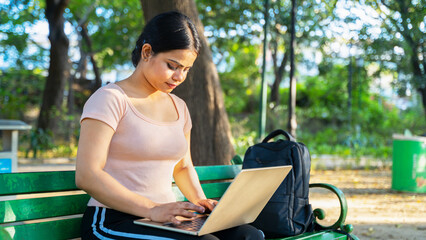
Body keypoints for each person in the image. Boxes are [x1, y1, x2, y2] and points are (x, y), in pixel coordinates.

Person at [76, 11, 264, 240]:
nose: (179, 76)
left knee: (248, 235)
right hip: (112, 220)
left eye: (186, 69)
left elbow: (183, 167)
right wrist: (152, 209)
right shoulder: (110, 99)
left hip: (166, 217)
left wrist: (199, 201)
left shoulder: (179, 107)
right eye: (173, 65)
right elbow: (87, 175)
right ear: (147, 52)